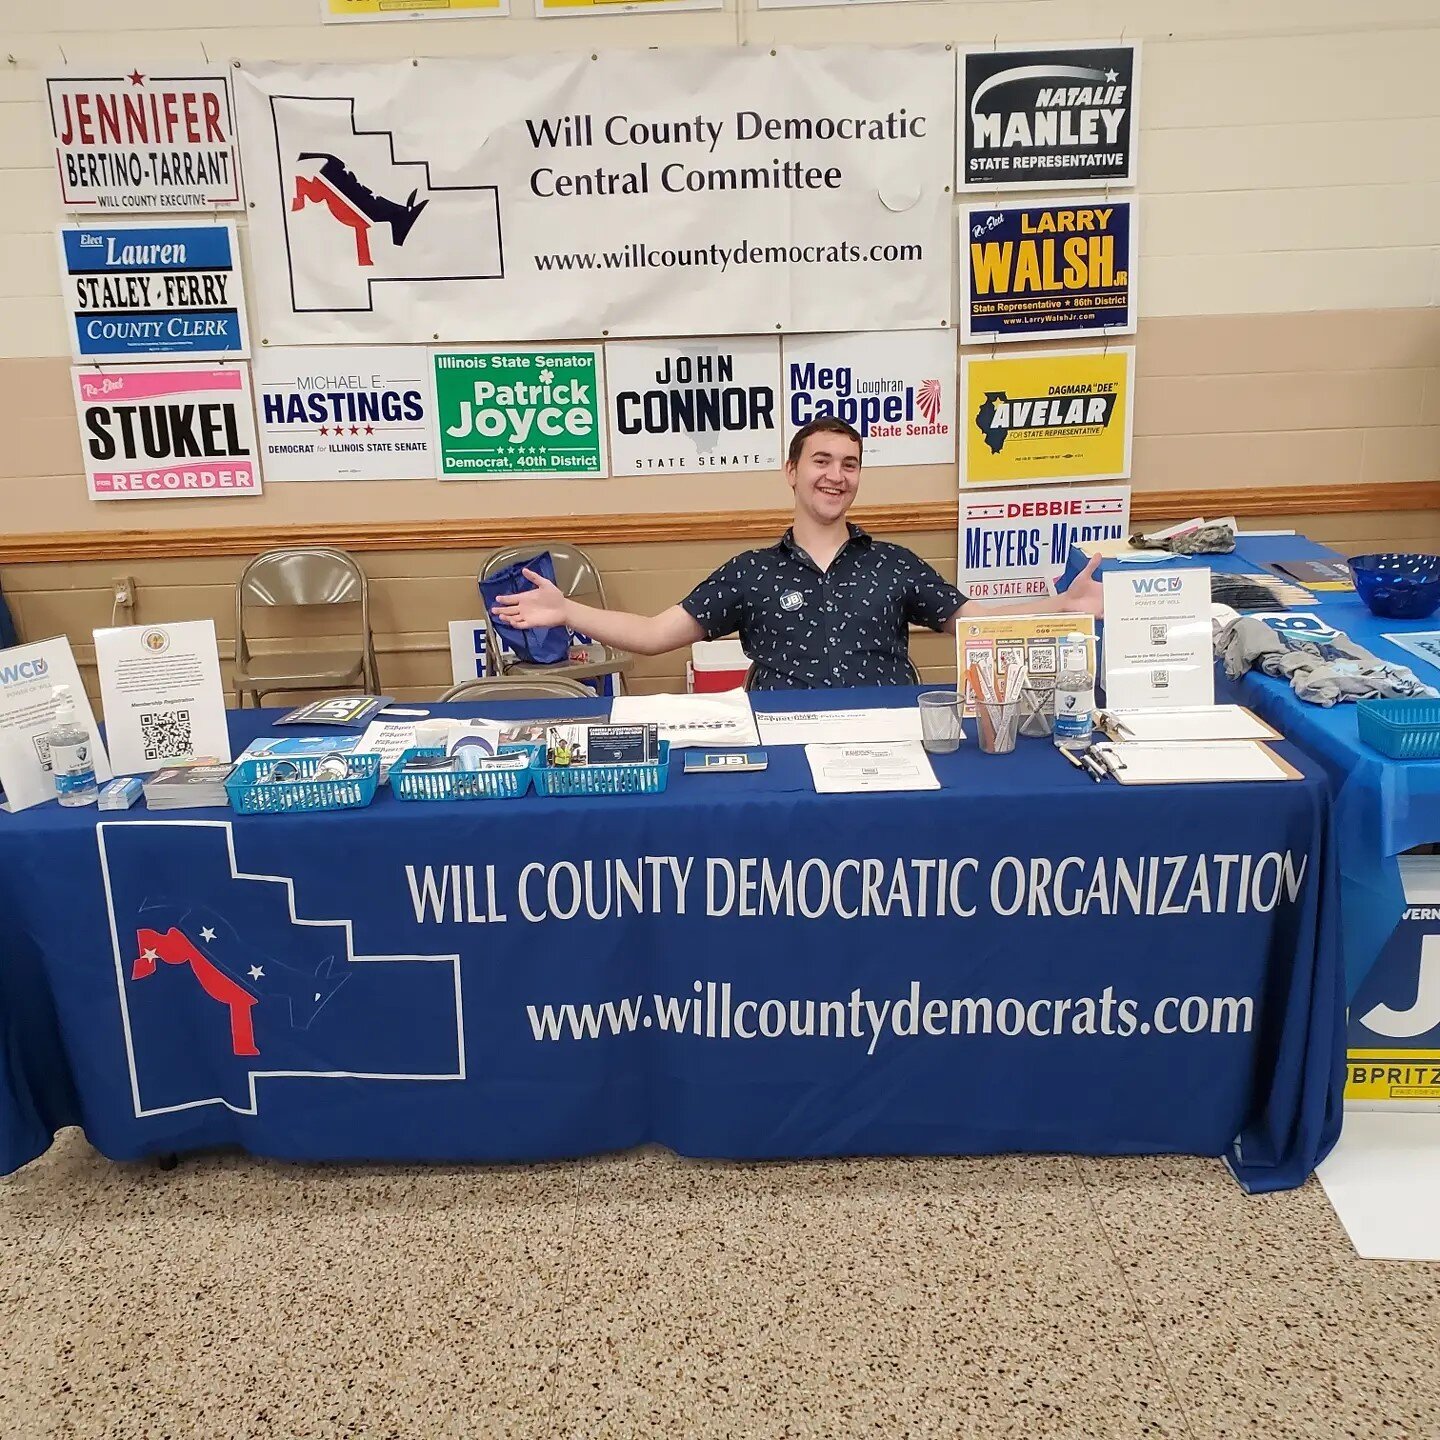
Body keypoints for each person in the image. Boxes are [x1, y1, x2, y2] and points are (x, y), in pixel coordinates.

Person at [489, 416, 1105, 689]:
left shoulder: (894, 563)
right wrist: (568, 611)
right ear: (791, 472)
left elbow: (969, 618)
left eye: (850, 464)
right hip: (778, 742)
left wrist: (1060, 607)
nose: (836, 476)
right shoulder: (750, 572)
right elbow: (653, 634)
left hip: (888, 739)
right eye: (822, 461)